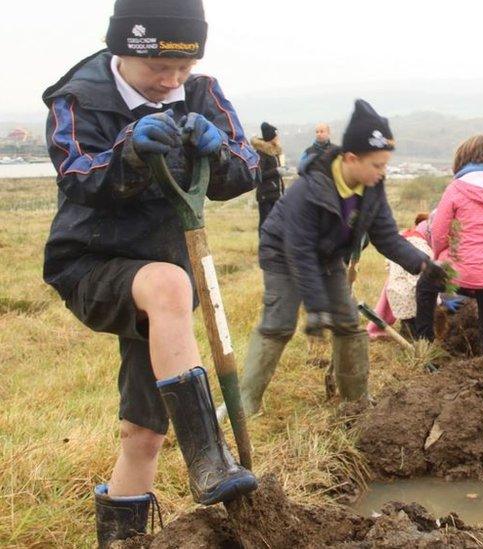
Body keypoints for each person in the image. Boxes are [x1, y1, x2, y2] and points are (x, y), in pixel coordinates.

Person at [41, 0, 259, 544]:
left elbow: (246, 167)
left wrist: (221, 155)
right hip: (92, 264)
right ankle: (210, 456)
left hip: (166, 289)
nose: (171, 80)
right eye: (158, 67)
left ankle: (121, 539)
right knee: (167, 282)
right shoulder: (78, 97)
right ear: (121, 49)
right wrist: (129, 155)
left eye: (183, 67)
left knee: (143, 432)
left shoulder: (202, 93)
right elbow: (75, 174)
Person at [220, 99, 448, 418]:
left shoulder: (372, 188)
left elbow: (386, 236)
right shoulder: (309, 190)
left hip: (328, 257)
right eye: (377, 165)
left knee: (348, 324)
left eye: (385, 165)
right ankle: (246, 402)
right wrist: (316, 307)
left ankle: (356, 401)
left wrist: (424, 265)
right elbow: (300, 253)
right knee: (279, 324)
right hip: (284, 254)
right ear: (351, 158)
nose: (382, 172)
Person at [415, 135, 483, 353]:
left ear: (462, 159)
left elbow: (439, 234)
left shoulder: (455, 188)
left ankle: (424, 344)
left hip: (460, 273)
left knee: (425, 284)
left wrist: (439, 257)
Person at [366, 213, 434, 339]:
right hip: (417, 302)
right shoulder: (425, 251)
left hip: (396, 298)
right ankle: (417, 335)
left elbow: (388, 266)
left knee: (408, 313)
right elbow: (423, 284)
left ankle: (406, 328)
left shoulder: (402, 243)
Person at [252, 121, 284, 229]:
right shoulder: (262, 153)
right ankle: (264, 240)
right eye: (276, 135)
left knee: (276, 224)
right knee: (265, 223)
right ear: (271, 137)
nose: (277, 137)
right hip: (266, 195)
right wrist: (276, 171)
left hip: (276, 193)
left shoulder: (274, 152)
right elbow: (259, 174)